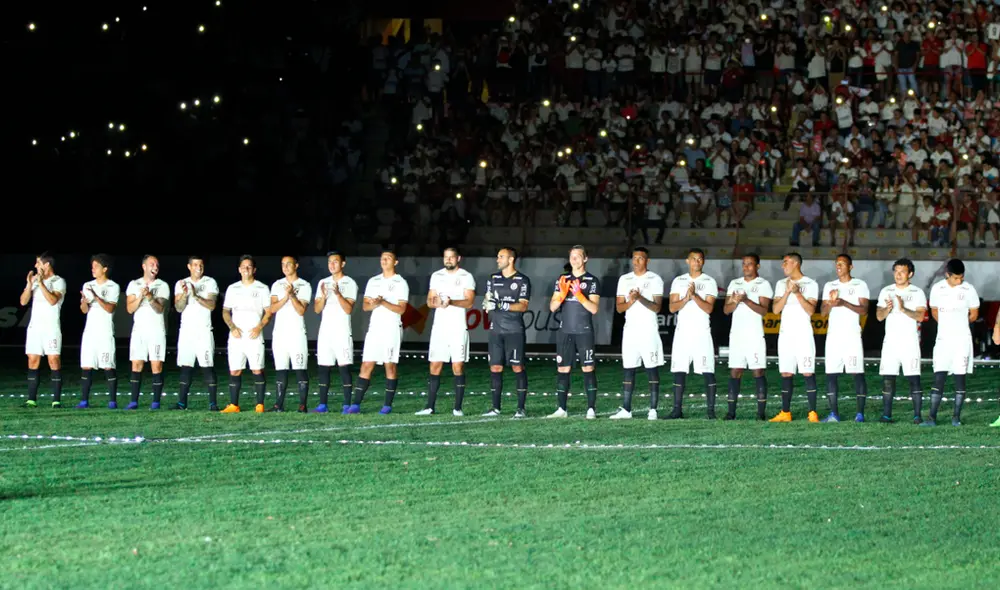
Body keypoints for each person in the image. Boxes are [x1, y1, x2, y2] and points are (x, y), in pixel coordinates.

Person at [417, 247, 476, 416]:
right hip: (439, 328)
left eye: (451, 257)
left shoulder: (466, 276)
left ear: (458, 258)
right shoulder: (437, 276)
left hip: (457, 327)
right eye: (446, 257)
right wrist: (436, 303)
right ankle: (429, 407)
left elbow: (469, 302)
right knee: (435, 365)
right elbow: (429, 301)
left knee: (457, 366)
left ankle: (457, 408)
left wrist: (451, 302)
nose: (448, 260)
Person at [348, 250, 409, 414]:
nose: (384, 260)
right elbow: (366, 306)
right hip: (375, 329)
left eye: (388, 258)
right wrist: (376, 303)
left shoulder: (400, 282)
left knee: (390, 366)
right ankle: (356, 404)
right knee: (367, 364)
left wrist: (383, 302)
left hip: (391, 328)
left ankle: (387, 405)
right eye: (382, 258)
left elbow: (401, 309)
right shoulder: (373, 281)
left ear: (395, 262)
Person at [610, 247, 665, 420]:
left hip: (648, 331)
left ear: (647, 261)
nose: (636, 261)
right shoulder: (624, 279)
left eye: (640, 258)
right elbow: (619, 308)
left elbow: (657, 307)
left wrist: (639, 297)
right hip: (630, 331)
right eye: (634, 258)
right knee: (629, 369)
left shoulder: (655, 279)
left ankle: (653, 409)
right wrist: (631, 300)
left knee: (651, 368)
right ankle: (626, 409)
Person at [924, 259, 979, 427]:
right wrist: (946, 325)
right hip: (943, 340)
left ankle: (956, 417)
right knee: (939, 377)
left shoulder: (969, 289)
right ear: (947, 275)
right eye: (956, 278)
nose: (959, 280)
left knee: (960, 377)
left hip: (962, 340)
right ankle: (932, 418)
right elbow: (933, 310)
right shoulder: (938, 289)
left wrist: (959, 325)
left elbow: (974, 314)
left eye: (961, 277)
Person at [547, 245, 601, 419]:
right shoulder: (562, 279)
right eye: (572, 257)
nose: (574, 260)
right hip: (565, 330)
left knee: (588, 367)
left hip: (584, 330)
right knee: (563, 368)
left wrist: (579, 295)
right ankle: (561, 409)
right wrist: (562, 294)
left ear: (585, 259)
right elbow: (553, 307)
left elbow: (594, 309)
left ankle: (591, 408)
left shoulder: (592, 281)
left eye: (578, 257)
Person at [667, 248, 718, 419]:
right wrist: (686, 298)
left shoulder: (709, 281)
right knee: (679, 370)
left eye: (700, 259)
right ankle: (677, 410)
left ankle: (711, 411)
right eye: (693, 259)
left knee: (708, 370)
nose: (697, 262)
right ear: (687, 261)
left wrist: (694, 296)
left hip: (702, 332)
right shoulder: (678, 281)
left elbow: (709, 308)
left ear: (703, 262)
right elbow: (672, 307)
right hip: (683, 333)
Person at [769, 253, 820, 422]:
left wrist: (797, 293)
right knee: (786, 372)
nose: (783, 265)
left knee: (807, 372)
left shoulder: (810, 284)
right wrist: (786, 293)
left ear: (796, 263)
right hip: (785, 335)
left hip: (803, 334)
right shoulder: (780, 284)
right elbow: (776, 310)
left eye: (786, 262)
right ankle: (785, 412)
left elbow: (811, 311)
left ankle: (812, 412)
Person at [875, 258, 927, 424]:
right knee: (888, 379)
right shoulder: (886, 291)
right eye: (896, 271)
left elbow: (920, 316)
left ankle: (917, 415)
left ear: (910, 274)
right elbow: (878, 317)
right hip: (890, 343)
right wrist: (887, 308)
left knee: (913, 378)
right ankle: (886, 415)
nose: (898, 275)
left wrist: (903, 308)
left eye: (902, 271)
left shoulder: (917, 292)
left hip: (910, 342)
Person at [820, 254, 870, 423]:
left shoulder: (860, 285)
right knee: (831, 375)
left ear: (850, 267)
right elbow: (823, 312)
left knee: (857, 373)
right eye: (837, 264)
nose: (838, 267)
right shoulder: (830, 286)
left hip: (852, 337)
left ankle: (860, 414)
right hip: (833, 337)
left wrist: (844, 303)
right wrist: (830, 302)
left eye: (842, 264)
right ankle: (834, 414)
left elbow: (864, 310)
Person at [483, 247, 532, 418]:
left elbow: (523, 306)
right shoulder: (492, 278)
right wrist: (487, 305)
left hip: (514, 330)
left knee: (517, 366)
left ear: (511, 259)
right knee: (495, 367)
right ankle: (495, 407)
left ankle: (521, 408)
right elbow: (488, 299)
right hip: (496, 330)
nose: (497, 260)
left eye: (501, 257)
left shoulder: (522, 280)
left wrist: (501, 305)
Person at [723, 253, 772, 420]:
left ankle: (760, 413)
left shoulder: (763, 284)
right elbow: (726, 310)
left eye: (750, 264)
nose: (746, 267)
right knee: (735, 371)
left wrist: (746, 300)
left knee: (758, 371)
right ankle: (731, 413)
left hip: (755, 336)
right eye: (744, 264)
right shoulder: (734, 283)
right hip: (737, 336)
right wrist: (735, 301)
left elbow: (764, 310)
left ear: (757, 266)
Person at [220, 255, 272, 413]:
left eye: (249, 266)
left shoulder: (262, 288)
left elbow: (269, 312)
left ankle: (260, 405)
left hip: (254, 336)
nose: (246, 269)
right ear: (239, 269)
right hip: (236, 337)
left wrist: (259, 327)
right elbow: (225, 311)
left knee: (257, 369)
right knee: (235, 370)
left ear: (254, 269)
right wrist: (232, 327)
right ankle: (234, 405)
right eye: (243, 267)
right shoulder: (232, 288)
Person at [20, 252, 66, 408]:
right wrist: (28, 284)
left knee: (54, 360)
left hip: (51, 328)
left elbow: (53, 301)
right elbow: (23, 301)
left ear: (47, 265)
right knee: (33, 360)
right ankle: (31, 399)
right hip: (35, 328)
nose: (35, 266)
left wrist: (41, 284)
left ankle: (56, 400)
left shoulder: (58, 281)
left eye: (38, 263)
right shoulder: (34, 280)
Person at [173, 256, 219, 410]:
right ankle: (181, 403)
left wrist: (196, 295)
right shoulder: (181, 283)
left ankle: (213, 404)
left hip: (204, 331)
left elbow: (212, 305)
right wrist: (185, 295)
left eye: (201, 264)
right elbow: (179, 308)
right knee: (186, 367)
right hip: (186, 332)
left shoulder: (210, 282)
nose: (198, 267)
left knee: (207, 366)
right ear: (189, 266)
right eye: (195, 265)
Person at [313, 251, 357, 413]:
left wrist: (338, 294)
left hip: (342, 332)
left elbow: (348, 309)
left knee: (344, 367)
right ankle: (322, 404)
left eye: (335, 262)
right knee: (324, 367)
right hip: (325, 332)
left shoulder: (349, 283)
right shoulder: (322, 283)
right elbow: (317, 309)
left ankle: (346, 404)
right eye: (330, 262)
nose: (332, 265)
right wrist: (324, 296)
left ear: (343, 264)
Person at [267, 256, 312, 412]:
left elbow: (301, 310)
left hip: (297, 333)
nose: (285, 267)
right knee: (281, 369)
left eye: (288, 264)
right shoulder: (277, 285)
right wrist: (286, 296)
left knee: (300, 368)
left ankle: (302, 405)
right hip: (280, 333)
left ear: (296, 266)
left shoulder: (304, 285)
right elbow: (272, 309)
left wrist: (292, 295)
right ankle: (279, 404)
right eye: (283, 264)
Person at [125, 255, 170, 410]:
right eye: (152, 264)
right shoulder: (133, 284)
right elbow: (130, 309)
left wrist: (150, 297)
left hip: (156, 331)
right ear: (144, 266)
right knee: (136, 364)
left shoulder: (162, 285)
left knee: (156, 365)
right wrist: (141, 296)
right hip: (139, 331)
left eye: (157, 264)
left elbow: (159, 309)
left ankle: (156, 402)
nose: (155, 266)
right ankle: (133, 401)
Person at [77, 254, 119, 409]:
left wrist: (96, 296)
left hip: (105, 333)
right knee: (87, 366)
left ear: (105, 269)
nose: (93, 269)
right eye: (92, 266)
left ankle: (112, 401)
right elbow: (84, 310)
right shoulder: (87, 285)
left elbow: (110, 309)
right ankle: (84, 400)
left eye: (96, 266)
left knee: (108, 366)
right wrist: (84, 302)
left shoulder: (113, 286)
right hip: (90, 333)